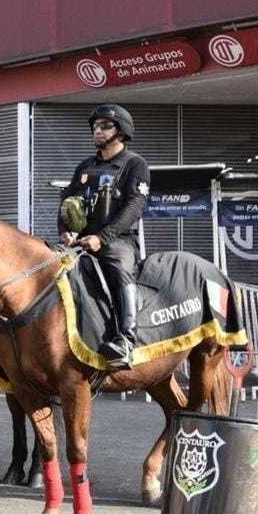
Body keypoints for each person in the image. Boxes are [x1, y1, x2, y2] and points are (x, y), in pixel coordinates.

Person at [57, 104, 149, 368]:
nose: (98, 130)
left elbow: (134, 207)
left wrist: (103, 237)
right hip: (81, 241)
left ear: (121, 131)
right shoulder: (85, 166)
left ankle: (126, 340)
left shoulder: (134, 165)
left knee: (119, 268)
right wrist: (64, 231)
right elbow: (66, 200)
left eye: (105, 126)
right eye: (95, 126)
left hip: (117, 241)